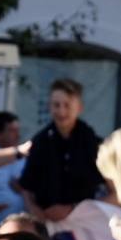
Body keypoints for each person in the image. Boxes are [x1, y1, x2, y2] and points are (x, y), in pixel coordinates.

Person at [19, 78, 104, 222]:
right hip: (47, 224)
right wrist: (34, 210)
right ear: (49, 107)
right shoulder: (40, 142)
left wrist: (73, 209)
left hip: (88, 225)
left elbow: (113, 192)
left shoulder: (94, 144)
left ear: (79, 108)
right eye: (56, 105)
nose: (61, 111)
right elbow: (26, 186)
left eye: (67, 105)